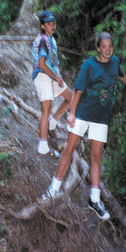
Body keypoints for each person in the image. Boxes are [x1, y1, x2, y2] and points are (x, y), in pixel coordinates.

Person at [42, 31, 126, 220]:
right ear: (97, 48)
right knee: (69, 150)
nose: (107, 50)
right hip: (83, 113)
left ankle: (94, 200)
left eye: (110, 47)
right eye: (104, 47)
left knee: (96, 157)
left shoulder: (115, 62)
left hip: (102, 118)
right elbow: (78, 90)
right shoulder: (89, 65)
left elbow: (121, 73)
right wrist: (71, 113)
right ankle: (53, 189)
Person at [32, 10, 73, 158]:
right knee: (46, 108)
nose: (52, 26)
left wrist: (56, 77)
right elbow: (42, 64)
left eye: (53, 23)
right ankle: (43, 146)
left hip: (52, 75)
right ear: (42, 26)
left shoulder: (51, 39)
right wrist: (56, 77)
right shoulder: (42, 40)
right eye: (49, 24)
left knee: (71, 98)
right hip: (43, 76)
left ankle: (53, 122)